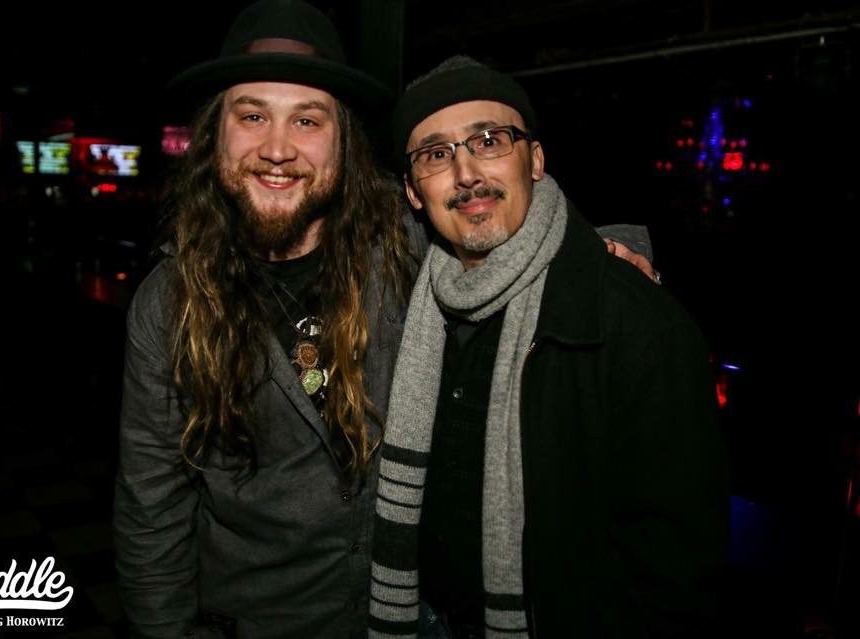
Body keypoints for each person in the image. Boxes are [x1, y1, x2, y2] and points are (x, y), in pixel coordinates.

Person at [114, 3, 655, 636]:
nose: (279, 148)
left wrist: (610, 251)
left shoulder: (406, 244)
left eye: (308, 120)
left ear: (342, 138)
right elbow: (152, 507)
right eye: (253, 116)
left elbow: (508, 224)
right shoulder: (169, 302)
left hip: (412, 614)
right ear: (215, 136)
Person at [368, 56, 728, 639]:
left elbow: (677, 573)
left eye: (489, 140)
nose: (465, 173)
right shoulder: (401, 297)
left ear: (534, 159)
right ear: (413, 191)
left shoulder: (632, 320)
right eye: (436, 155)